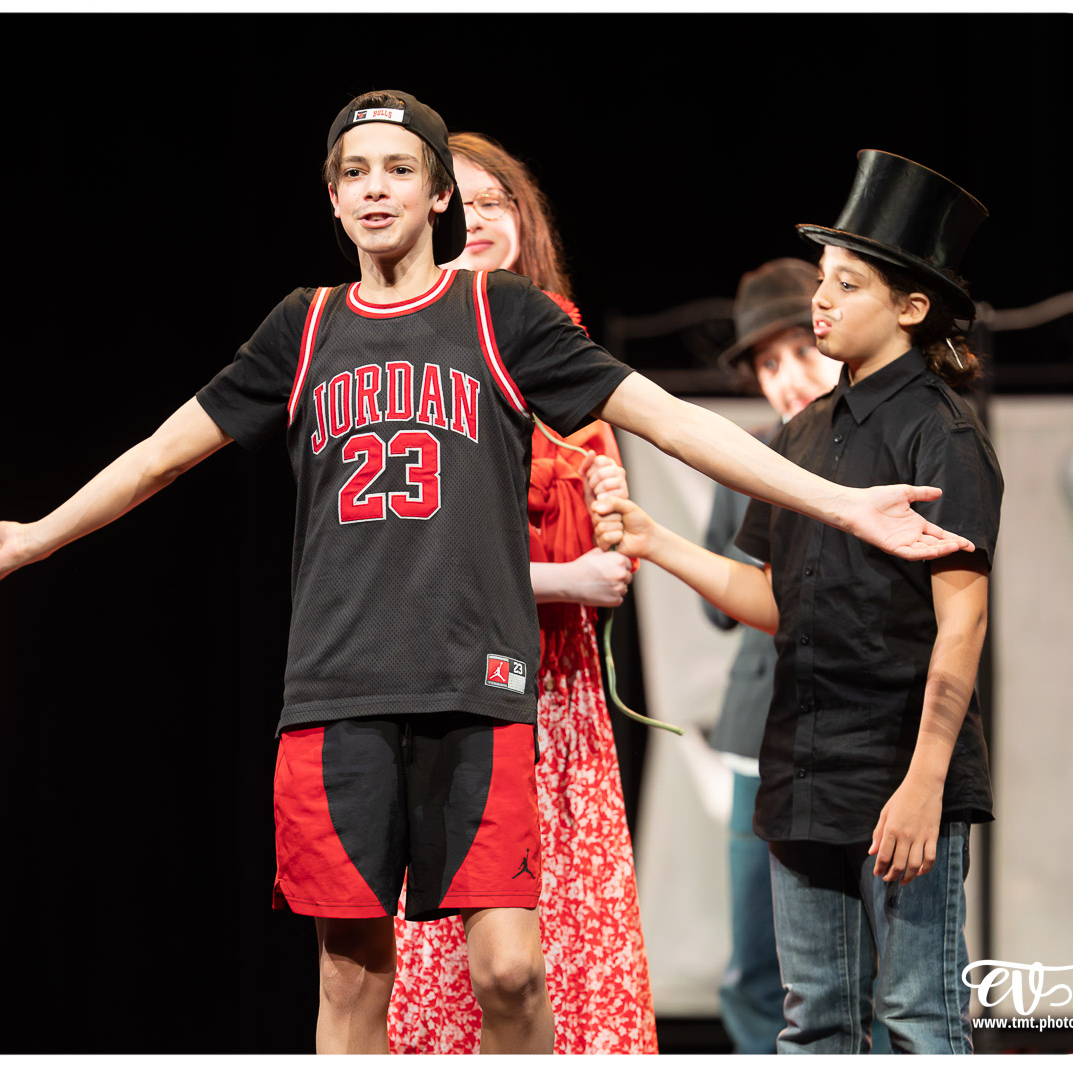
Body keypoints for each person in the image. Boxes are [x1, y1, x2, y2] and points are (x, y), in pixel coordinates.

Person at [0, 93, 971, 1055]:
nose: (375, 188)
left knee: (512, 970)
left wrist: (838, 502)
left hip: (477, 696)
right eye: (354, 172)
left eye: (398, 169)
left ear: (437, 195)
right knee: (351, 972)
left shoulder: (500, 316)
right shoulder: (304, 326)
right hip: (337, 695)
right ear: (333, 198)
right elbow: (163, 451)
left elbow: (669, 419)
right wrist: (39, 536)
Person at [590, 151, 999, 1054]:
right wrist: (656, 541)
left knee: (919, 1016)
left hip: (897, 773)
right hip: (801, 775)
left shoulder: (942, 433)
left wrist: (925, 783)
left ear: (911, 307)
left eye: (847, 285)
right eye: (821, 279)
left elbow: (962, 621)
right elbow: (776, 601)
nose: (821, 301)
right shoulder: (798, 437)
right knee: (812, 1021)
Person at [385, 130, 656, 1055]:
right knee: (465, 957)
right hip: (451, 689)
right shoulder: (413, 365)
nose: (476, 219)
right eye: (456, 202)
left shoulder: (563, 356)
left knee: (562, 944)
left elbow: (603, 558)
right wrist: (563, 577)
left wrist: (610, 520)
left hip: (559, 693)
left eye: (493, 200)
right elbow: (416, 564)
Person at [705, 257, 841, 1053]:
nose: (788, 376)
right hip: (758, 734)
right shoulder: (742, 457)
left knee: (865, 954)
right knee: (755, 962)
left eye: (801, 350)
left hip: (857, 733)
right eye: (768, 363)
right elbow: (717, 607)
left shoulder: (885, 447)